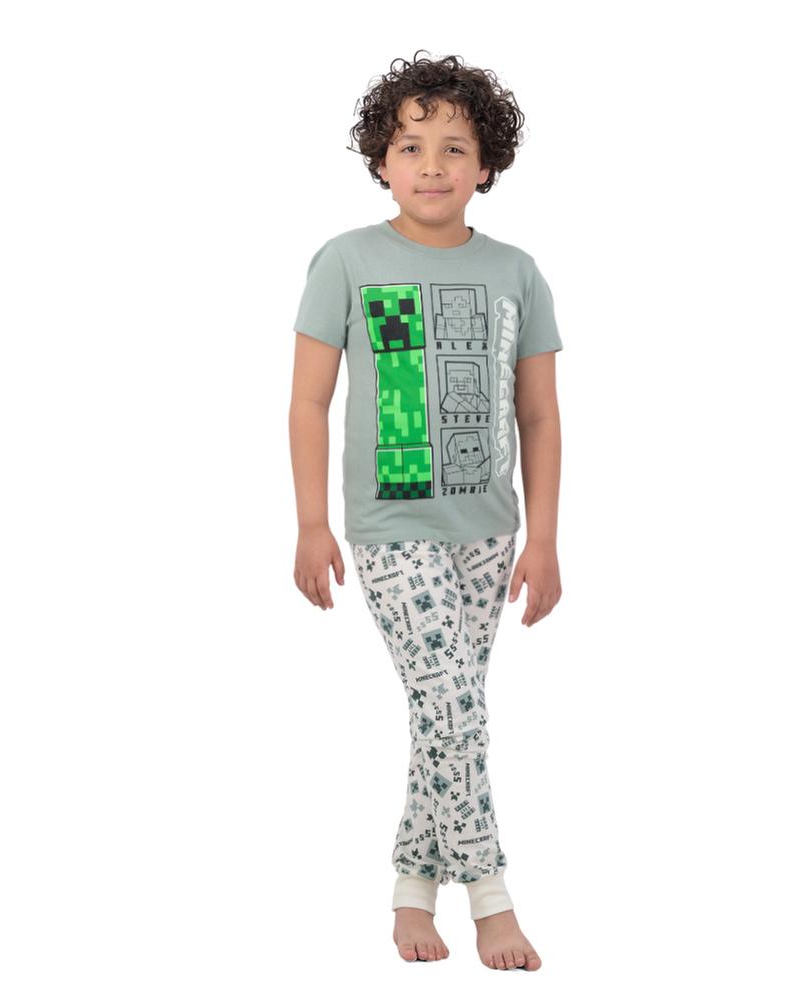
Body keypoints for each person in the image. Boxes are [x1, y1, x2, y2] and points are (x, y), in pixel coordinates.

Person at [288, 51, 562, 972]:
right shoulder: (347, 261)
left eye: (455, 148)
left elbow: (539, 415)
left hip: (490, 532)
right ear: (381, 159)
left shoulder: (517, 272)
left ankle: (413, 884)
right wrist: (312, 522)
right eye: (411, 146)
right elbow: (308, 402)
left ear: (487, 165)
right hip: (390, 528)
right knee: (454, 704)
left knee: (447, 712)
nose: (433, 166)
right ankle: (491, 898)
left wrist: (544, 539)